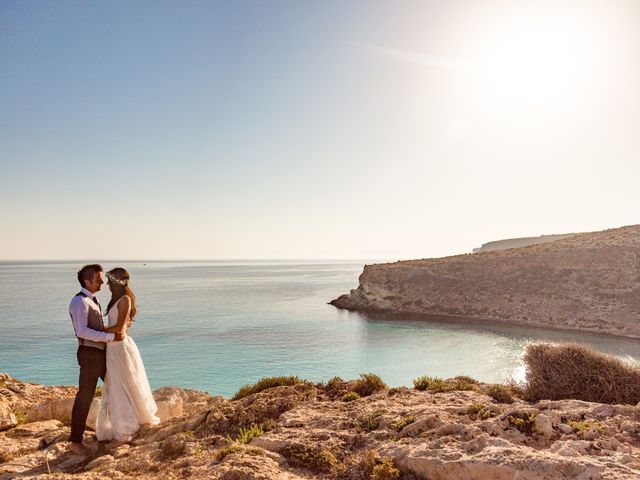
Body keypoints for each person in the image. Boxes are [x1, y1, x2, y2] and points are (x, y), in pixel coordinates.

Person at [95, 267, 160, 446]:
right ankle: (125, 422)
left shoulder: (125, 300)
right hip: (112, 348)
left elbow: (119, 329)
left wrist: (94, 331)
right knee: (117, 385)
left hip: (120, 348)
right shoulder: (116, 299)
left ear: (116, 282)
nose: (107, 284)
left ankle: (125, 430)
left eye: (109, 281)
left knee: (121, 385)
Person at [68, 264, 123, 455]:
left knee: (116, 386)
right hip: (90, 355)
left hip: (100, 353)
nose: (101, 282)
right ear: (87, 281)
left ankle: (121, 428)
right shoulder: (79, 302)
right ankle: (75, 441)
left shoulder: (93, 300)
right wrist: (111, 337)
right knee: (85, 395)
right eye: (98, 279)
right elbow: (81, 331)